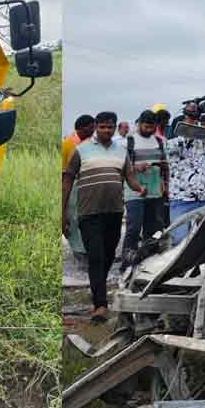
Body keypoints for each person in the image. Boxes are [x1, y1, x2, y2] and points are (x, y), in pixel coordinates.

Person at [62, 111, 144, 323]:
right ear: (96, 127)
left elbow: (130, 177)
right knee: (96, 256)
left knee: (108, 255)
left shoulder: (121, 151)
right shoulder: (81, 150)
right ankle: (100, 305)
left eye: (110, 127)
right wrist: (62, 212)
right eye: (103, 127)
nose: (106, 130)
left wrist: (139, 188)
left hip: (115, 212)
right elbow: (67, 180)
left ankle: (97, 287)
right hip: (88, 212)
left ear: (115, 128)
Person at [121, 110, 168, 265]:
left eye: (152, 127)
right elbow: (120, 167)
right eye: (146, 126)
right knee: (134, 227)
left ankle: (149, 262)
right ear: (139, 124)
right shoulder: (127, 142)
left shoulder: (160, 142)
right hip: (135, 192)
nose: (149, 130)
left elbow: (165, 166)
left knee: (154, 229)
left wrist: (165, 184)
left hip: (155, 192)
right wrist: (135, 166)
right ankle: (127, 263)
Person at [166, 122, 205, 246]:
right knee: (180, 241)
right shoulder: (172, 143)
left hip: (203, 198)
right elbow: (178, 144)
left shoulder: (202, 142)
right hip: (181, 200)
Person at [62, 115, 96, 263]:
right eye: (91, 126)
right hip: (73, 187)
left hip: (88, 186)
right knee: (73, 219)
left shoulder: (91, 144)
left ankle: (86, 251)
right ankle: (79, 252)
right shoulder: (67, 144)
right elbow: (63, 172)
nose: (94, 129)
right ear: (82, 128)